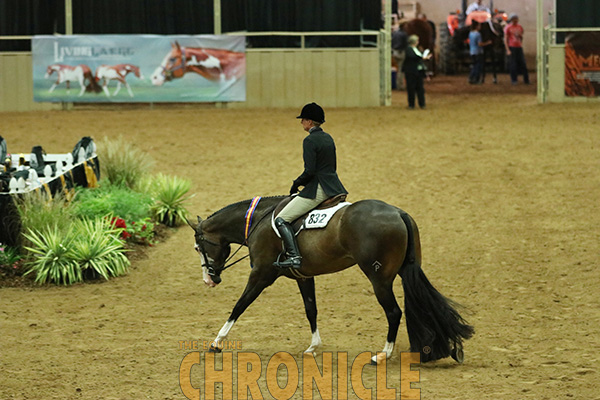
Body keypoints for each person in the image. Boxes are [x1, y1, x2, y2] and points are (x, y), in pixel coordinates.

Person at [273, 103, 348, 269]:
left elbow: (310, 171)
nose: (301, 123)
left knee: (281, 219)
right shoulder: (328, 137)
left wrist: (297, 183)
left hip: (319, 189)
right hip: (334, 186)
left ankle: (294, 256)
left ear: (309, 122)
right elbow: (331, 166)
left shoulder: (309, 140)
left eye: (303, 120)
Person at [402, 35, 431, 109]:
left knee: (420, 88)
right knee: (411, 88)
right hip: (411, 71)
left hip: (418, 71)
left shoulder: (417, 49)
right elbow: (412, 57)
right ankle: (411, 104)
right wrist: (423, 57)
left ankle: (422, 104)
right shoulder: (409, 49)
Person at [504, 13, 530, 85]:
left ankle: (526, 80)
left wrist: (520, 40)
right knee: (513, 64)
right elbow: (506, 39)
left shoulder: (519, 27)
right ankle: (514, 80)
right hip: (512, 47)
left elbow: (521, 36)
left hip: (518, 47)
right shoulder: (508, 27)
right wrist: (508, 49)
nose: (515, 20)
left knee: (523, 63)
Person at [392, 23, 408, 90]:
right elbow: (405, 44)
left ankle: (394, 84)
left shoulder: (394, 33)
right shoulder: (404, 34)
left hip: (394, 52)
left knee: (394, 69)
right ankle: (400, 86)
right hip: (401, 52)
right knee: (401, 70)